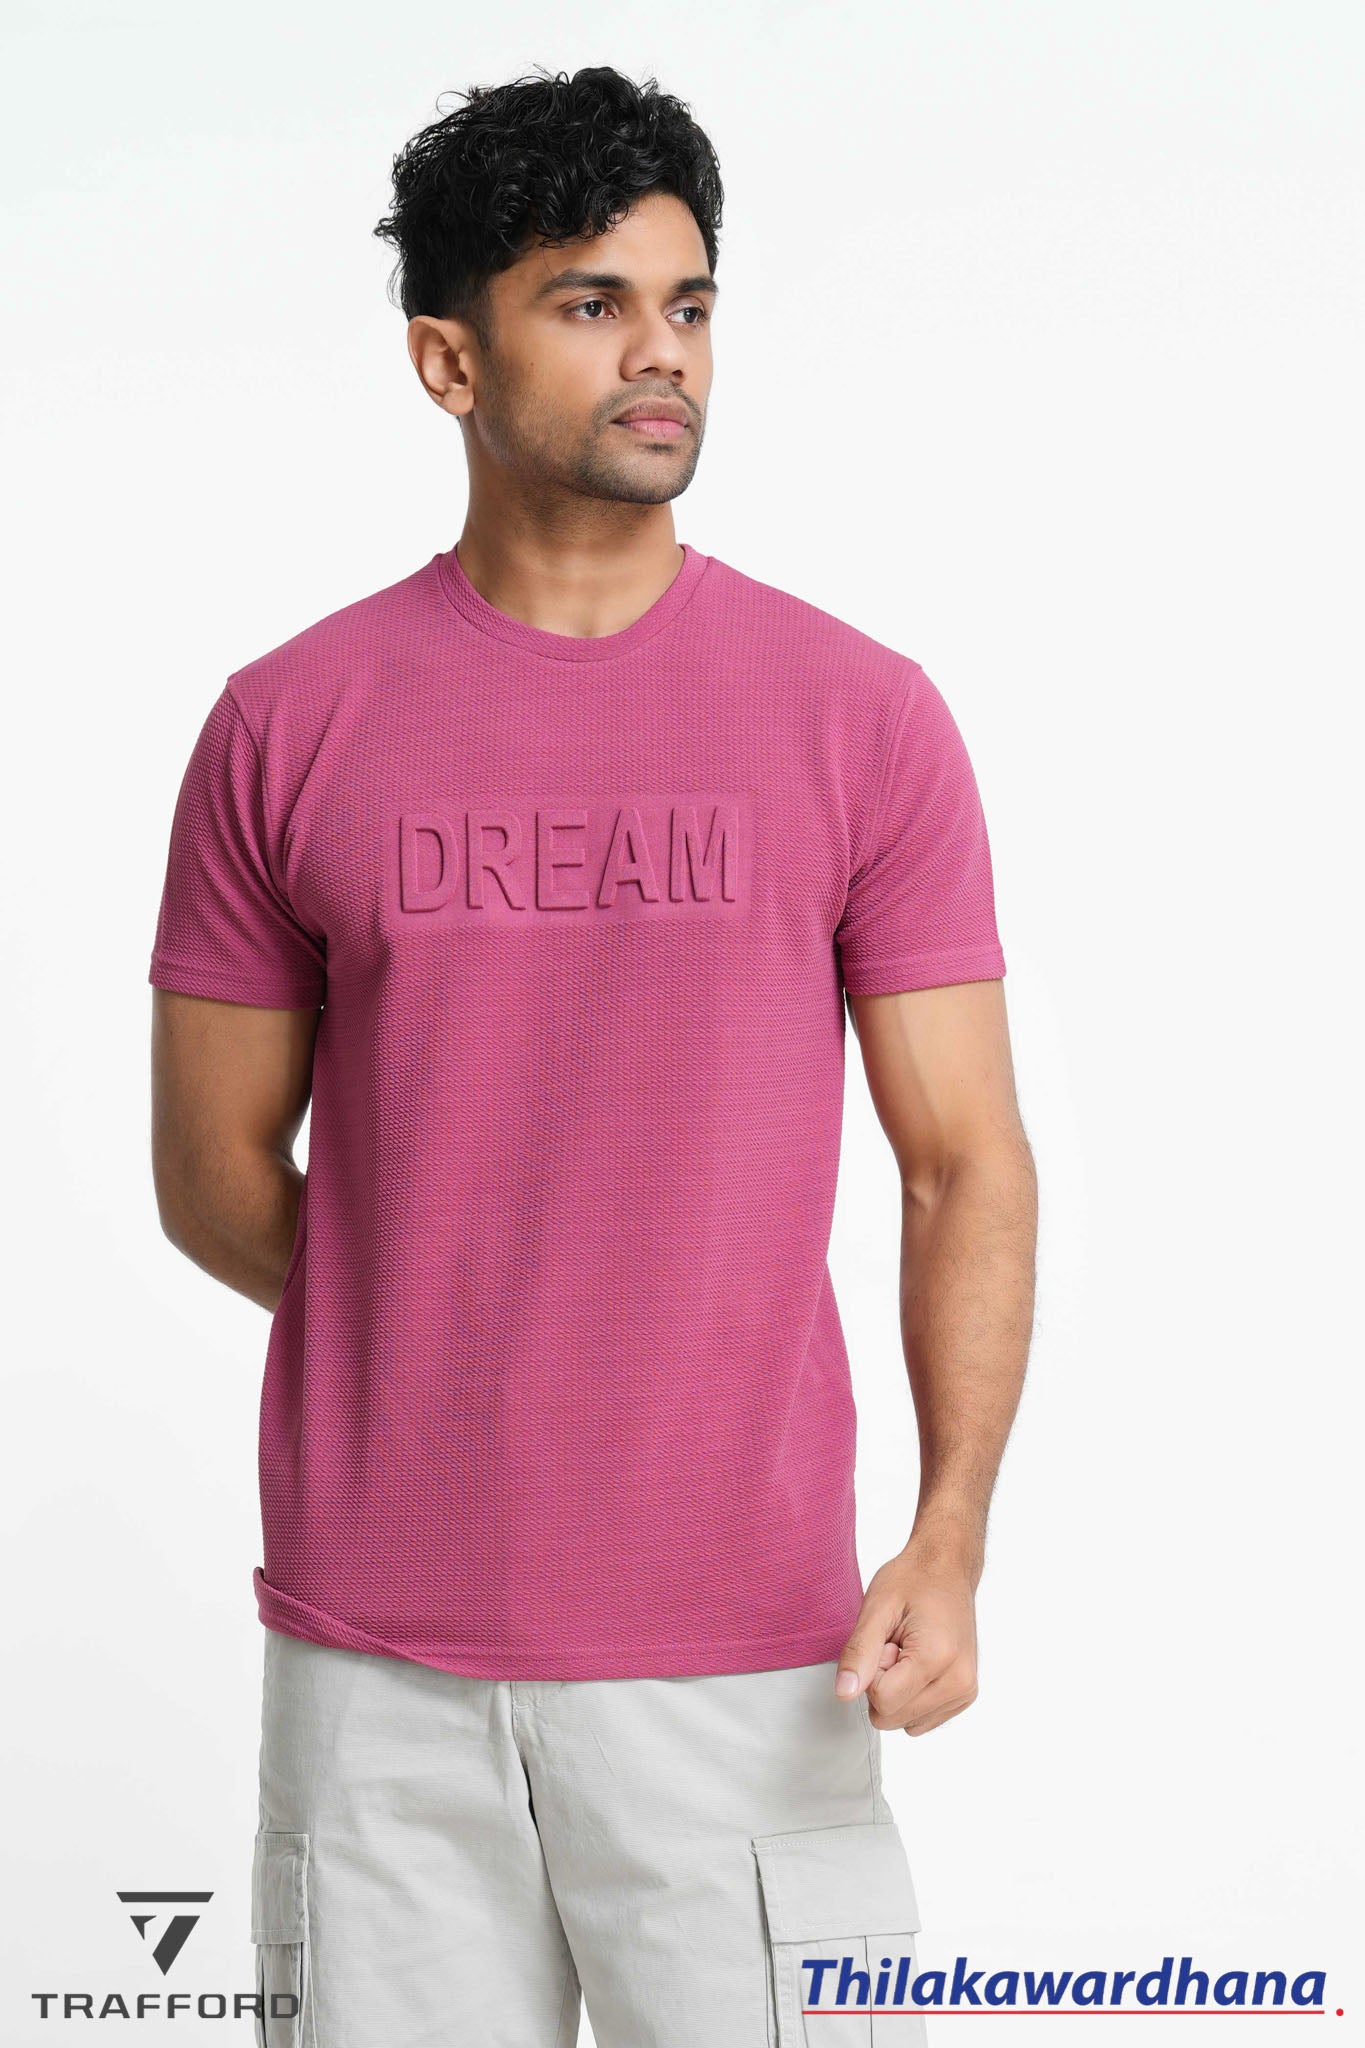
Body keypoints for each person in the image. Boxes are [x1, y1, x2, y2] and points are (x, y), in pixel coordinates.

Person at [148, 61, 1037, 2048]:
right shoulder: (287, 726)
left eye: (689, 304)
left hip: (750, 1662)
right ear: (447, 360)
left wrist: (948, 1531)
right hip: (378, 1675)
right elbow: (209, 1173)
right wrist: (466, 1320)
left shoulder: (858, 717)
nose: (663, 355)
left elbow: (960, 1160)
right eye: (590, 303)